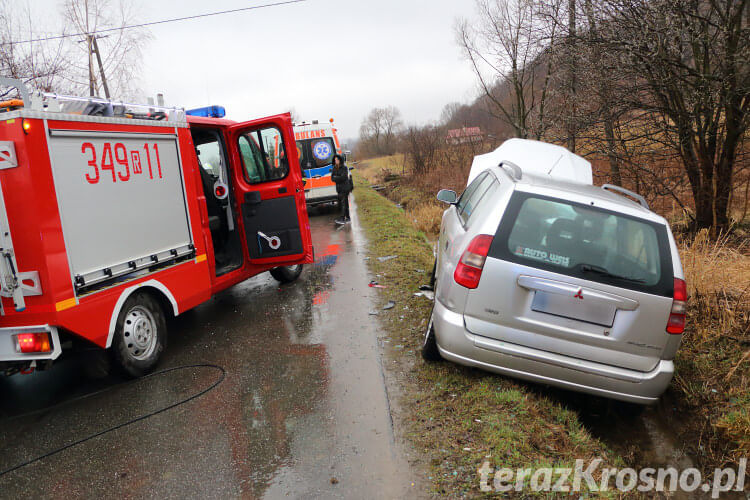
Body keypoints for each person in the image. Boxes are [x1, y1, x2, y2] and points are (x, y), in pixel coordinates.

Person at [331, 154, 352, 224]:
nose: (336, 161)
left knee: (343, 203)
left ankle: (343, 218)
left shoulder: (344, 168)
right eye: (335, 160)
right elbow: (332, 178)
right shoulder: (334, 168)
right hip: (339, 189)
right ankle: (348, 217)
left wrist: (336, 177)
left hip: (345, 188)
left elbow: (343, 177)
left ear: (340, 160)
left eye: (337, 160)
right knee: (344, 203)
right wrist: (338, 177)